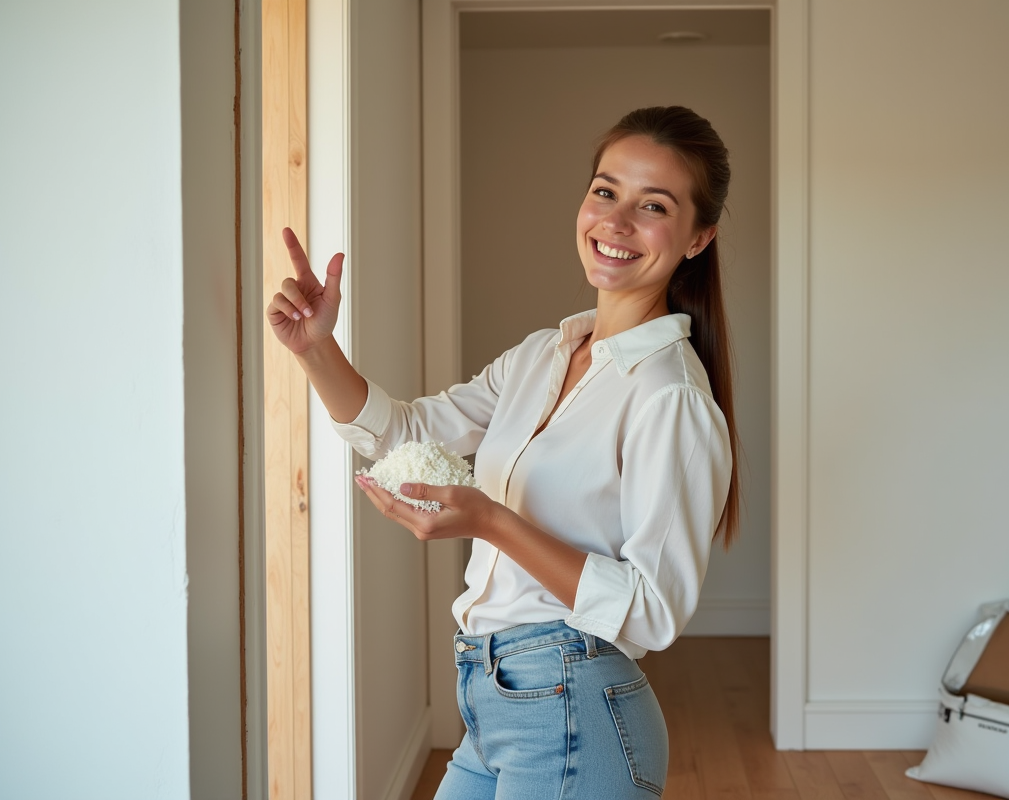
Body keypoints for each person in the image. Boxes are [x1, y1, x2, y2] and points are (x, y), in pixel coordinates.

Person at [267, 105, 740, 799]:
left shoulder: (670, 396)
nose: (615, 222)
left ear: (699, 238)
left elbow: (652, 610)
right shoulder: (540, 356)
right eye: (606, 192)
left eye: (654, 206)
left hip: (574, 702)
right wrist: (316, 350)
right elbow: (406, 434)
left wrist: (491, 522)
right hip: (492, 695)